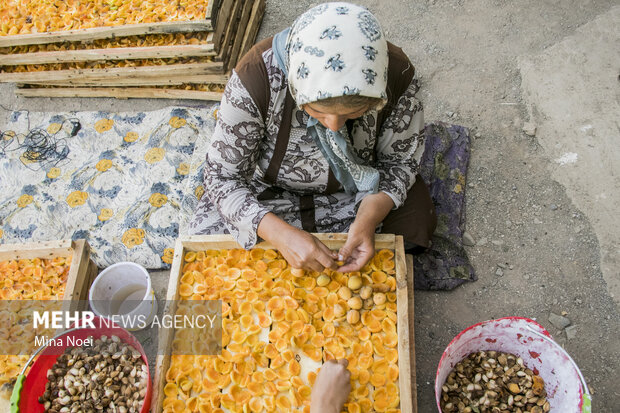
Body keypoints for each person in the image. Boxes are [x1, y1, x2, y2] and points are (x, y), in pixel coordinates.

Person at [189, 2, 437, 272]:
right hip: (270, 193)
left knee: (414, 225)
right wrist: (280, 235)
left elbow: (400, 162)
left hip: (358, 191)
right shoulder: (256, 78)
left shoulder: (395, 75)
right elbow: (222, 177)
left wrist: (368, 218)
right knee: (208, 244)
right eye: (318, 111)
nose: (333, 128)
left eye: (354, 112)